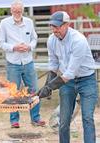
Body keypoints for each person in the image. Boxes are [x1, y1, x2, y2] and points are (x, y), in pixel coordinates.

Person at [38, 11, 98, 143]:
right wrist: (46, 86)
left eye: (58, 26)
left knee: (87, 118)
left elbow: (70, 73)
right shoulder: (51, 40)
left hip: (86, 80)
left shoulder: (79, 40)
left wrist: (50, 87)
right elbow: (53, 65)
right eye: (53, 26)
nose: (55, 30)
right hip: (67, 83)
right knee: (64, 120)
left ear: (67, 25)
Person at [0, 0, 45, 128]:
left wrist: (29, 47)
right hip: (13, 63)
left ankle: (36, 118)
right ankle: (14, 120)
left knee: (33, 90)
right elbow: (1, 43)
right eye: (15, 11)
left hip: (28, 61)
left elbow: (35, 39)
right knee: (13, 92)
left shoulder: (29, 22)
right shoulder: (4, 23)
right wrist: (14, 47)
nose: (17, 13)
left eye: (19, 11)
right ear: (11, 10)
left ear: (22, 11)